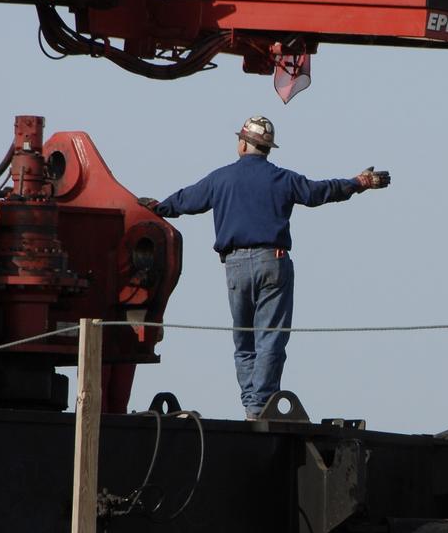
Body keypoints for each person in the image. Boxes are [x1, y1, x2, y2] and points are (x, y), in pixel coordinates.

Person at [142, 116, 390, 418]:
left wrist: (158, 207)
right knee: (270, 337)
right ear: (268, 148)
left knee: (244, 340)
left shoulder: (221, 179)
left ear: (242, 144)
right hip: (273, 260)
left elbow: (187, 200)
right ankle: (259, 405)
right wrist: (359, 183)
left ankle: (253, 406)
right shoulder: (281, 179)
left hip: (235, 265)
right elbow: (318, 192)